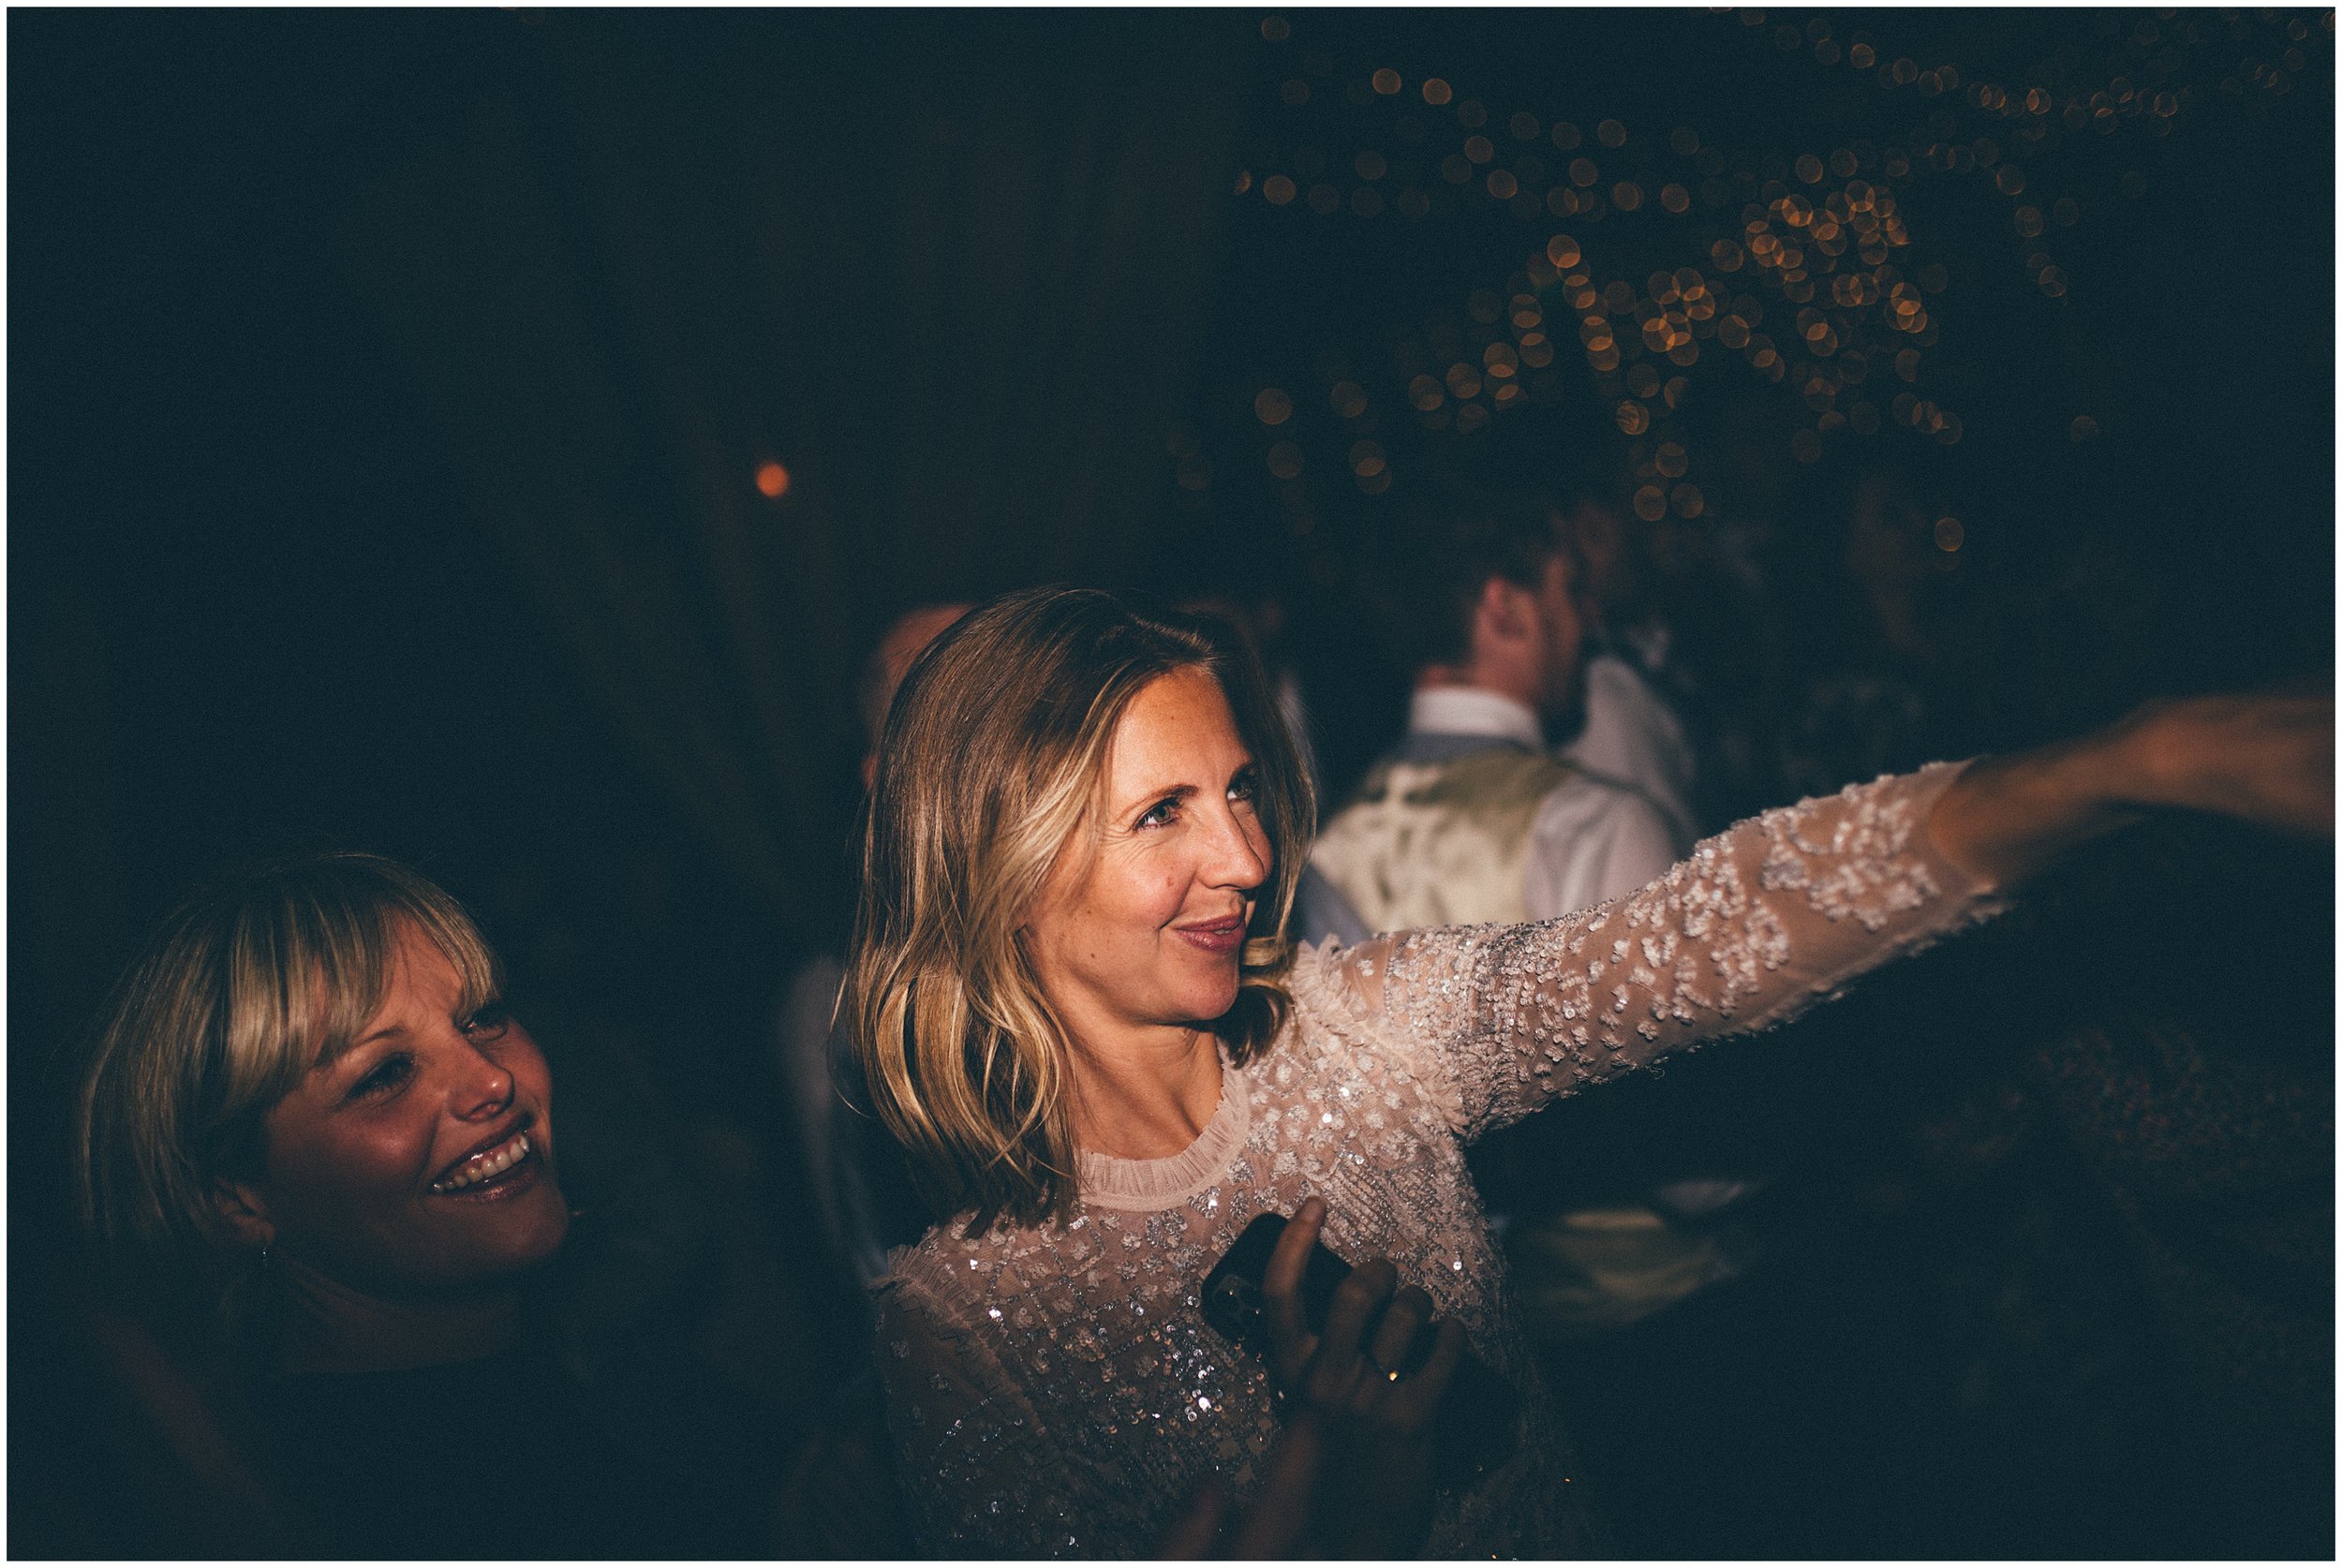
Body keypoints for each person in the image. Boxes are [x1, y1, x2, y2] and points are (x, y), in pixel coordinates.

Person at [842, 584, 2329, 1558]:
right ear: (1000, 864)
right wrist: (1350, 1491)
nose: (1244, 855)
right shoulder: (962, 1317)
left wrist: (2125, 766)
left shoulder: (1359, 1033)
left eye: (1239, 791)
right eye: (1161, 812)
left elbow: (1694, 946)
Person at [69, 853, 789, 1558]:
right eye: (385, 1073)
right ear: (236, 1199)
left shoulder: (567, 1396)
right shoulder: (390, 1506)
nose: (491, 1080)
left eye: (481, 1017)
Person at [1303, 485, 1680, 943]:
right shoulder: (1601, 828)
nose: (1590, 617)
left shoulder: (1328, 850)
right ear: (1506, 609)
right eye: (1572, 588)